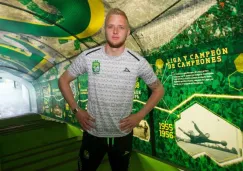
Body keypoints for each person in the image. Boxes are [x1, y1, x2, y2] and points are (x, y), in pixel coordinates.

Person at [58, 8, 164, 171]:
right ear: (104, 30)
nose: (115, 31)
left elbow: (158, 90)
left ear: (127, 32)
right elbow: (63, 80)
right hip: (93, 134)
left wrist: (140, 115)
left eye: (121, 27)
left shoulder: (138, 62)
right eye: (111, 26)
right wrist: (76, 109)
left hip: (122, 136)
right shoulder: (89, 57)